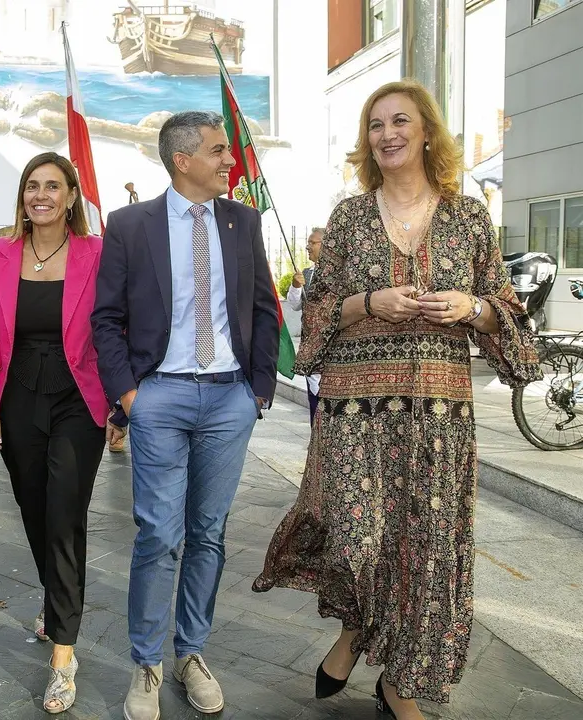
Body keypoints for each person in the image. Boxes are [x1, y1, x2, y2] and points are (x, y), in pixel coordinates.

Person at [253, 80, 540, 720]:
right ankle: (357, 631)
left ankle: (399, 684)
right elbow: (319, 309)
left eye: (399, 121)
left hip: (440, 418)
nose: (386, 133)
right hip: (355, 416)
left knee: (428, 548)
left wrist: (476, 309)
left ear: (426, 132)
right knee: (360, 542)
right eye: (375, 124)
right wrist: (368, 303)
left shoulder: (468, 217)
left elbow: (508, 312)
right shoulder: (351, 217)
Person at [91, 111, 280, 719]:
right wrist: (128, 397)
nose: (232, 161)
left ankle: (190, 653)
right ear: (183, 160)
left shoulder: (242, 220)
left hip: (229, 399)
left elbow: (264, 306)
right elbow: (106, 318)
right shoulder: (129, 225)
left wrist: (256, 391)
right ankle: (146, 664)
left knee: (208, 534)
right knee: (159, 534)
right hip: (160, 397)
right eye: (220, 151)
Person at [0, 152, 125, 714]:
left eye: (52, 186)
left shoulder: (96, 252)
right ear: (22, 196)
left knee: (64, 517)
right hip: (17, 400)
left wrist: (119, 403)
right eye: (31, 186)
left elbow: (114, 328)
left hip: (77, 399)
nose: (40, 195)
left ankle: (63, 654)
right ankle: (56, 597)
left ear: (70, 196)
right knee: (35, 509)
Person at [285, 228, 325, 422]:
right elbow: (295, 304)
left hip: (334, 348)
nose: (308, 247)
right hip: (311, 348)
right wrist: (295, 286)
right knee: (314, 402)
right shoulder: (307, 274)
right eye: (308, 242)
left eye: (313, 242)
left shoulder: (343, 273)